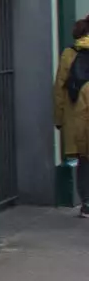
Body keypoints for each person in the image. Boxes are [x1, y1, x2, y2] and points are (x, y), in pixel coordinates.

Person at [54, 15, 89, 217]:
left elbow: (59, 88)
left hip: (77, 116)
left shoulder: (69, 53)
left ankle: (86, 203)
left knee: (84, 160)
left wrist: (59, 118)